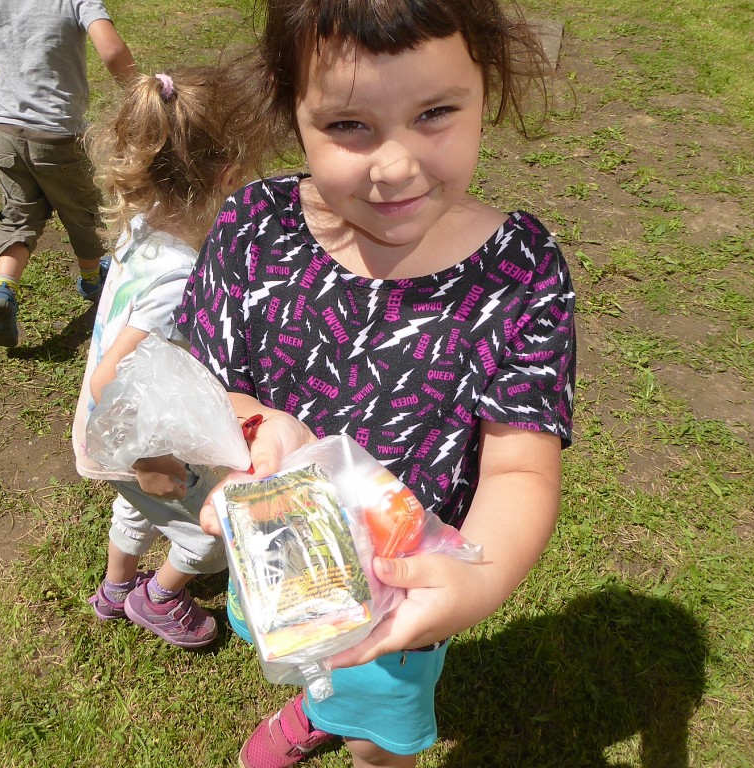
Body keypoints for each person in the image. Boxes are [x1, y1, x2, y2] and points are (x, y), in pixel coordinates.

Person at [174, 0, 575, 765]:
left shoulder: (520, 273)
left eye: (434, 113)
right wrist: (251, 423)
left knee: (377, 740)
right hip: (283, 565)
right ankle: (317, 705)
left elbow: (520, 469)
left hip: (409, 592)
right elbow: (201, 390)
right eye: (348, 125)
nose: (394, 166)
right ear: (291, 110)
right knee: (311, 661)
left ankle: (353, 731)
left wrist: (473, 585)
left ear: (485, 87)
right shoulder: (255, 231)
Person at [71, 64, 272, 648]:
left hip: (106, 431)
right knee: (210, 532)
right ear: (227, 177)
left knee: (136, 508)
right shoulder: (179, 277)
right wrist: (152, 460)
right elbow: (111, 377)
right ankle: (158, 597)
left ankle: (115, 588)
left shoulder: (143, 226)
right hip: (136, 435)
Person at [0, 0, 136, 348]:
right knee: (82, 214)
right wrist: (139, 91)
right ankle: (92, 280)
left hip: (6, 132)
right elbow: (111, 51)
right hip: (58, 136)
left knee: (18, 214)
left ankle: (3, 288)